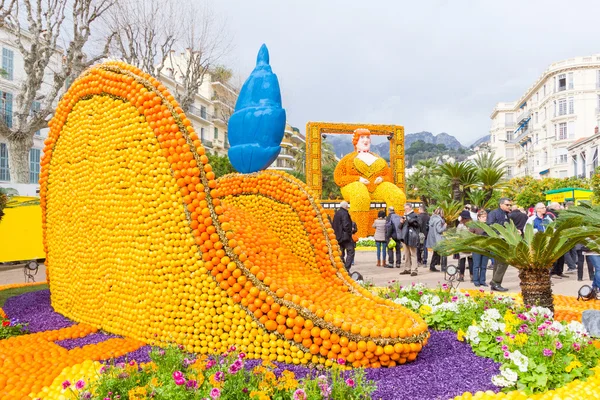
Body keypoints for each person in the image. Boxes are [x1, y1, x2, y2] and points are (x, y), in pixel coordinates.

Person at [334, 129, 407, 217]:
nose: (366, 140)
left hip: (376, 188)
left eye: (368, 137)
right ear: (356, 140)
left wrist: (382, 178)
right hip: (355, 189)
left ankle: (396, 227)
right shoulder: (347, 159)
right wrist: (357, 179)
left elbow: (389, 176)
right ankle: (359, 230)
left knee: (397, 196)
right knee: (359, 194)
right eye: (362, 137)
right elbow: (338, 179)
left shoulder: (378, 158)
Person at [487, 197, 512, 292]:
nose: (509, 206)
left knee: (499, 263)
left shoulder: (507, 215)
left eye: (510, 205)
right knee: (503, 261)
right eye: (507, 205)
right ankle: (495, 282)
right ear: (501, 204)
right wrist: (501, 232)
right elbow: (490, 226)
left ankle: (496, 283)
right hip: (497, 240)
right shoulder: (494, 213)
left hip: (505, 240)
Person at [547, 202, 569, 278]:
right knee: (556, 256)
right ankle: (554, 272)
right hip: (556, 236)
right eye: (559, 206)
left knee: (561, 255)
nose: (560, 208)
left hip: (561, 236)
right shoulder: (550, 214)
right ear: (555, 207)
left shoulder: (558, 214)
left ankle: (559, 271)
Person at [332, 201, 354, 271]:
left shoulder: (337, 213)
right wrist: (350, 231)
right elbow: (346, 225)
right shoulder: (345, 213)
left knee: (340, 253)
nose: (348, 208)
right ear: (345, 206)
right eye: (347, 207)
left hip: (337, 236)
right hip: (345, 237)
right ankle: (346, 268)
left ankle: (341, 267)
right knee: (351, 251)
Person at [400, 204, 421, 276]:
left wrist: (409, 219)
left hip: (412, 237)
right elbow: (399, 227)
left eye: (407, 208)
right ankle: (407, 268)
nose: (405, 210)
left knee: (413, 254)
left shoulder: (415, 215)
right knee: (406, 254)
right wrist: (401, 222)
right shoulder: (404, 216)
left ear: (410, 208)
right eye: (405, 209)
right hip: (405, 237)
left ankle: (414, 270)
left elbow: (417, 225)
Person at [471, 210, 489, 287]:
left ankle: (482, 280)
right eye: (483, 217)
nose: (484, 218)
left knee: (484, 266)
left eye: (485, 217)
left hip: (486, 248)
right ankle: (476, 280)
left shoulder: (488, 226)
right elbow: (470, 236)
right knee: (476, 265)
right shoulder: (474, 225)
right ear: (478, 217)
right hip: (477, 248)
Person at [426, 208, 447, 272]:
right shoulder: (439, 220)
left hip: (433, 238)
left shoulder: (432, 219)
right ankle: (440, 267)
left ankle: (432, 266)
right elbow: (439, 230)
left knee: (435, 253)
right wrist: (444, 226)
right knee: (440, 252)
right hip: (438, 238)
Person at [456, 210, 473, 282]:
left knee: (462, 261)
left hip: (462, 244)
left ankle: (461, 276)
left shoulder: (460, 225)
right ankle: (472, 276)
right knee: (471, 261)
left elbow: (457, 235)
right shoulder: (472, 225)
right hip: (471, 245)